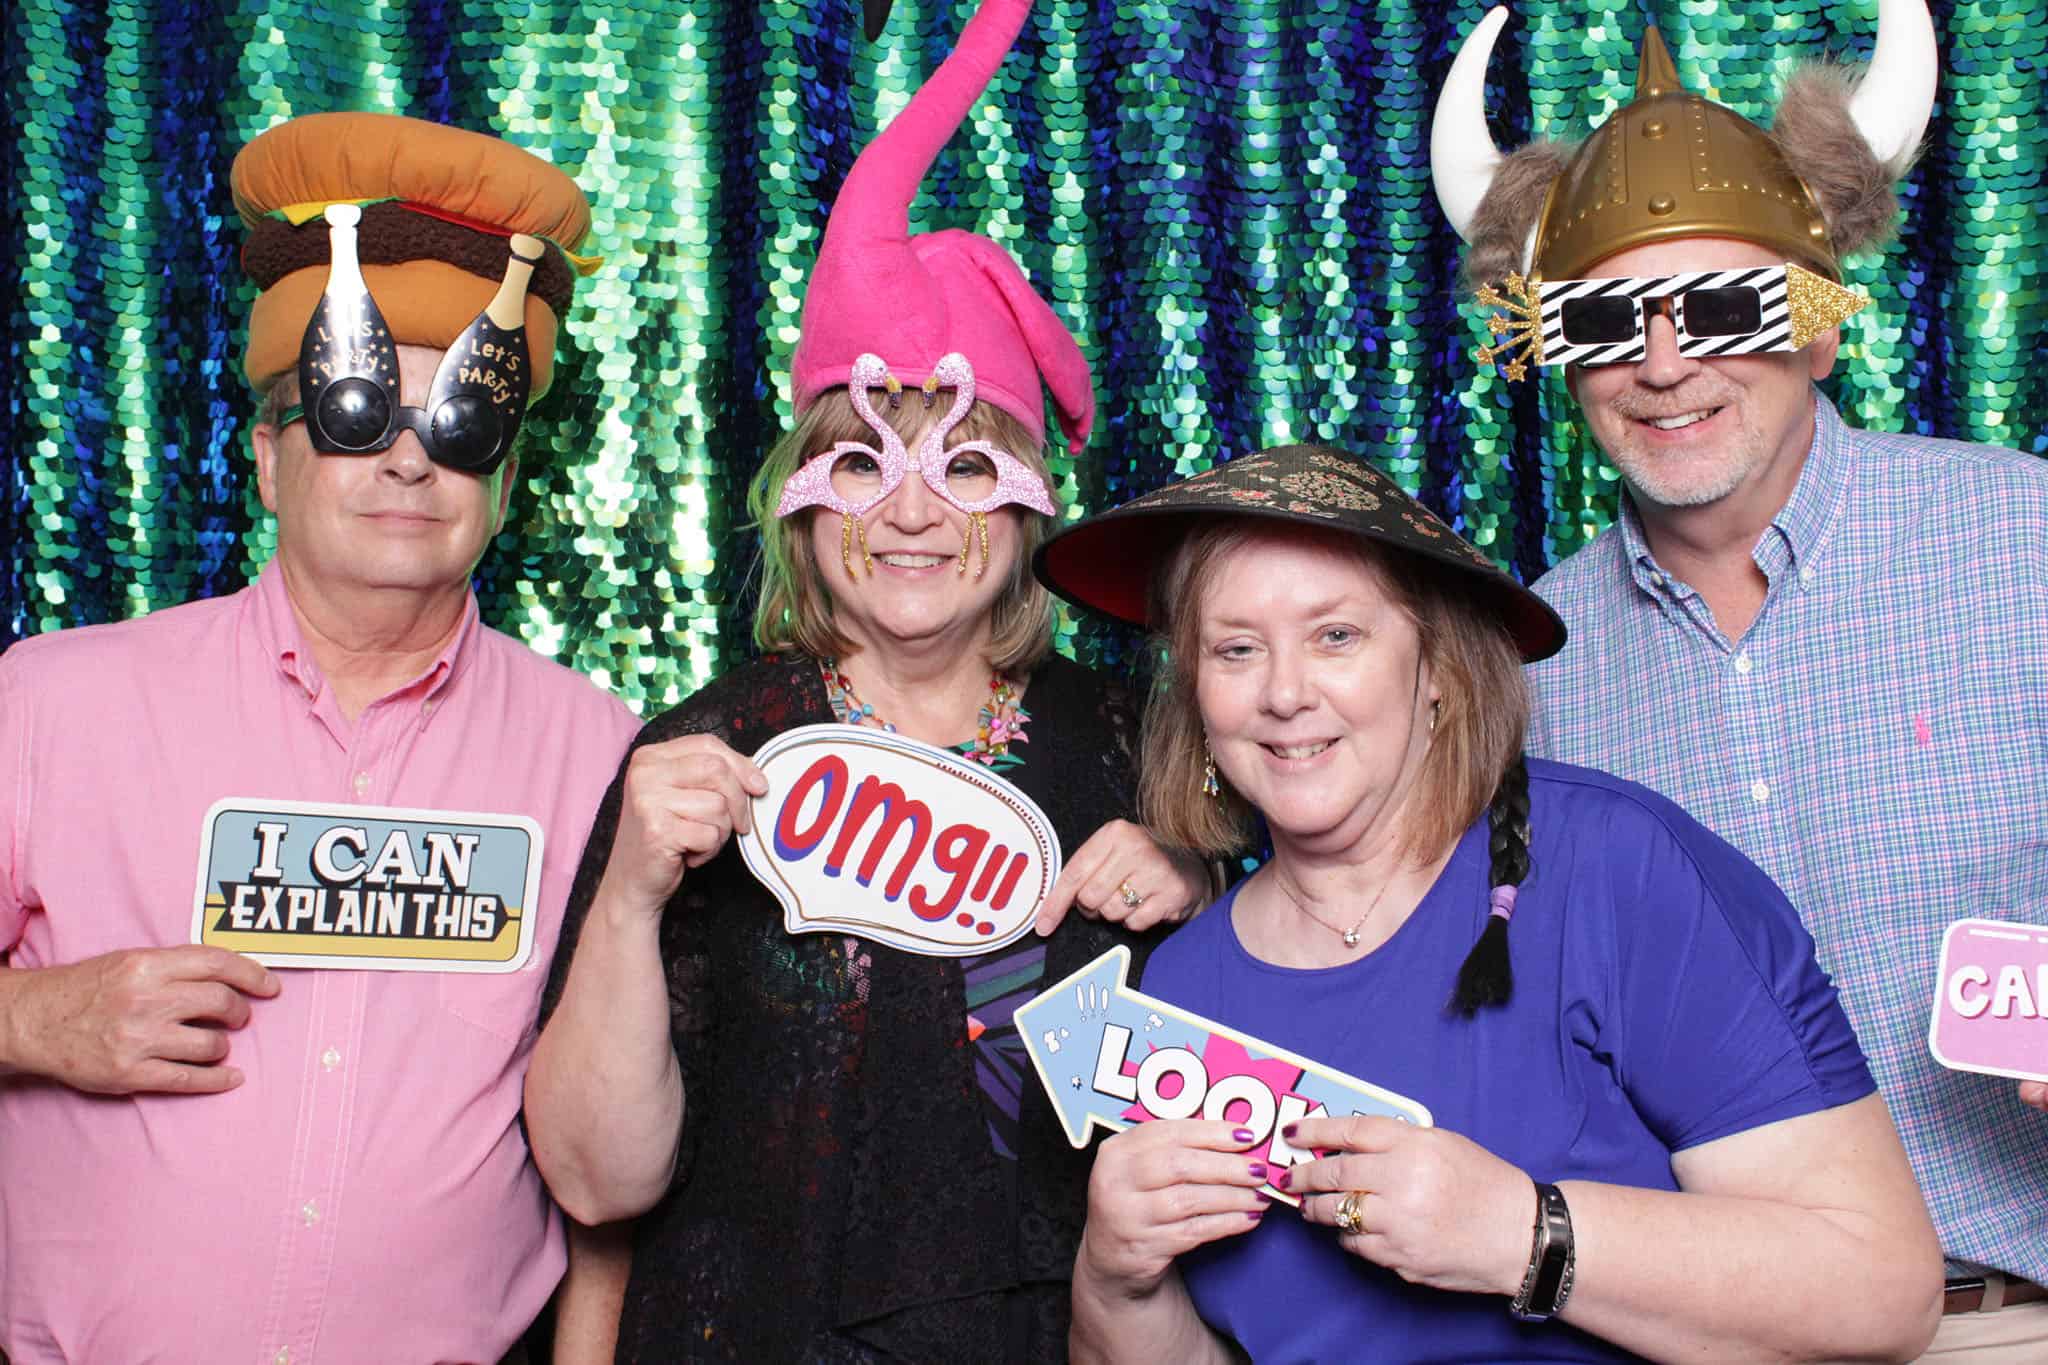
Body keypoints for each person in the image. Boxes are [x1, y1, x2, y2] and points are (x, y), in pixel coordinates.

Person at [522, 1, 1209, 1358]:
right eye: (860, 459)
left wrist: (1196, 905)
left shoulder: (1134, 743)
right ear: (797, 503)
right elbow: (599, 1184)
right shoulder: (706, 756)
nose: (910, 512)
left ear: (1026, 507)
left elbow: (1237, 1097)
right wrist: (630, 896)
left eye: (962, 463)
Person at [1032, 443, 1941, 1362]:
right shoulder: (1183, 984)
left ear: (1434, 664)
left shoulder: (1612, 869)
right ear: (1194, 691)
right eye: (1235, 649)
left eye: (1335, 636)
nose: (1284, 692)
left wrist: (1521, 1233)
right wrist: (1116, 1274)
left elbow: (1879, 1291)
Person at [1431, 4, 2048, 1351]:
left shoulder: (2027, 544)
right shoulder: (1522, 663)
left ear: (1821, 328)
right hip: (1691, 1331)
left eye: (1721, 306)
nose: (1662, 365)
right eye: (1604, 324)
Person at [0, 112, 640, 1362]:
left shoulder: (599, 753)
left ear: (506, 477)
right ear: (263, 456)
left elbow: (614, 1164)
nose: (409, 463)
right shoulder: (50, 703)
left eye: (462, 425)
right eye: (354, 413)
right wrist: (31, 1022)